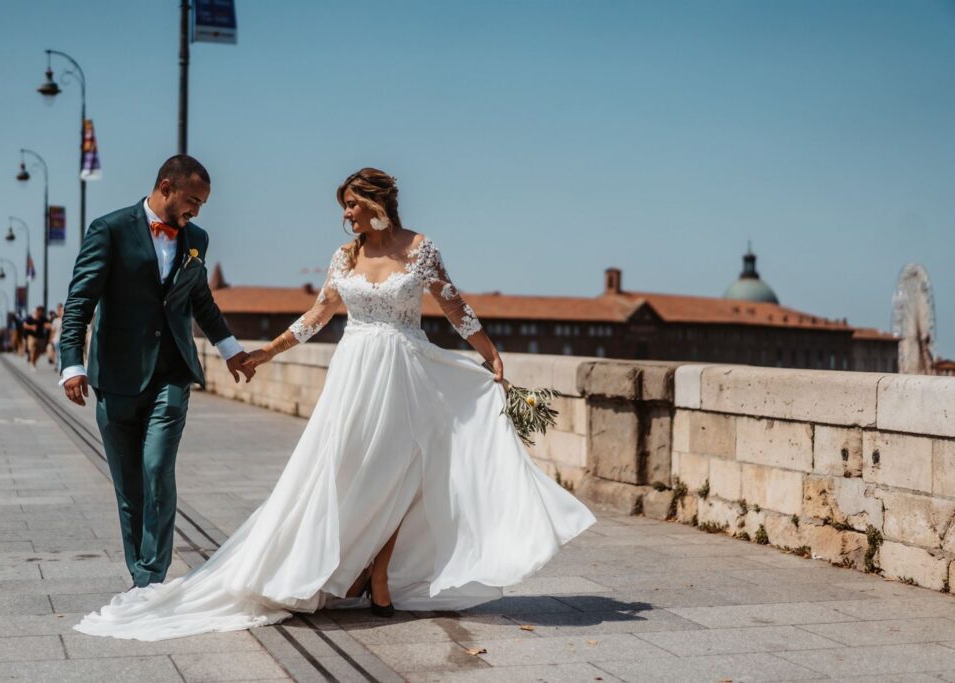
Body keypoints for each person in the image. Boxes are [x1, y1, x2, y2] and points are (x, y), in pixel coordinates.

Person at [74, 168, 595, 641]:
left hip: (405, 373)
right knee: (343, 472)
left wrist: (490, 354)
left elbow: (453, 305)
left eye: (351, 204)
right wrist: (266, 352)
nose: (345, 214)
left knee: (398, 473)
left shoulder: (420, 249)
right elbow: (318, 314)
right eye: (344, 206)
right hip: (354, 375)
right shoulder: (344, 256)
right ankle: (338, 568)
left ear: (376, 203)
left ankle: (380, 574)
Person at [59, 155, 254, 590]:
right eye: (192, 200)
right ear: (166, 187)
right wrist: (71, 362)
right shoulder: (110, 230)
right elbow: (80, 301)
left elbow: (200, 300)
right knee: (130, 488)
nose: (197, 211)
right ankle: (140, 581)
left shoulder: (196, 239)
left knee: (157, 469)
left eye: (202, 204)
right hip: (116, 376)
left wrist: (230, 349)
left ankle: (152, 578)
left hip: (172, 372)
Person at [48, 304, 64, 372]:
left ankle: (59, 366)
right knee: (58, 353)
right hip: (57, 339)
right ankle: (58, 365)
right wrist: (51, 339)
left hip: (63, 340)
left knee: (61, 353)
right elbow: (53, 331)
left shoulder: (66, 320)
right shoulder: (56, 320)